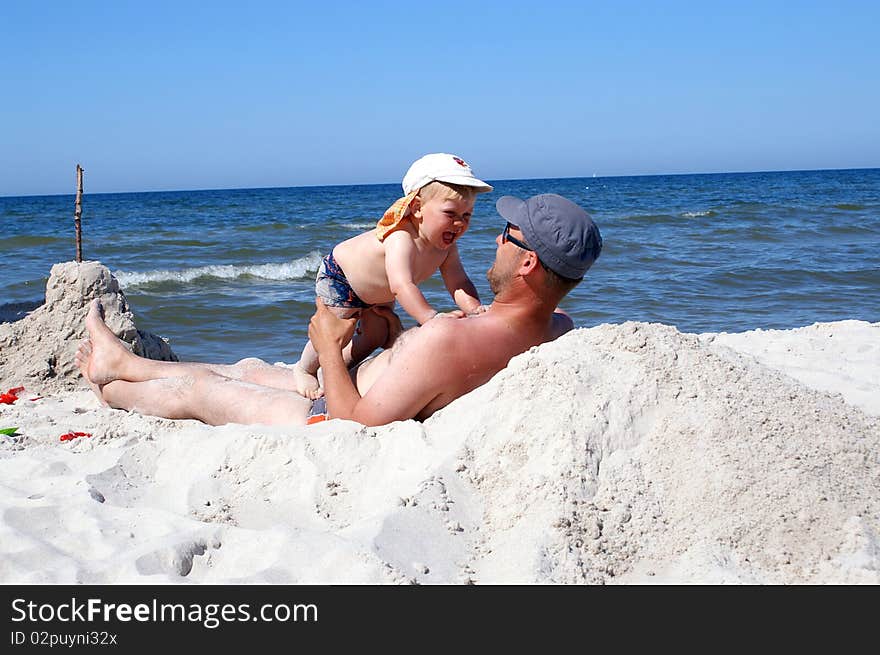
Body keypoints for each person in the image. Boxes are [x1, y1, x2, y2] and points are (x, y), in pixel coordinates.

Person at [76, 193, 602, 428]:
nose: (494, 239)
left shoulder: (451, 338)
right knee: (251, 370)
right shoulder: (558, 328)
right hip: (364, 382)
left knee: (203, 393)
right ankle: (126, 362)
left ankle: (113, 383)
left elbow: (355, 423)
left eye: (507, 236)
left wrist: (328, 347)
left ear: (528, 261)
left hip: (326, 413)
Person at [291, 153, 493, 400]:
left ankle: (340, 367)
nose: (459, 223)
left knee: (376, 334)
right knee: (336, 328)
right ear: (418, 208)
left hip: (376, 292)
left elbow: (458, 282)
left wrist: (474, 308)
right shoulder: (401, 238)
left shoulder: (447, 248)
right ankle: (305, 368)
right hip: (342, 277)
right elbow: (401, 285)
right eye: (450, 214)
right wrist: (430, 318)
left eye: (467, 216)